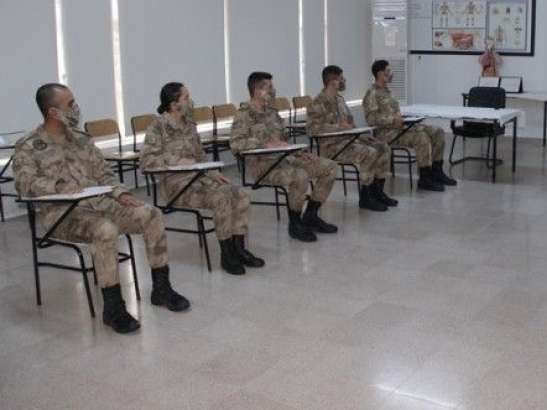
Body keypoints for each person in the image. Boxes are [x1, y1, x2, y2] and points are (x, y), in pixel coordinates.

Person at [13, 83, 189, 334]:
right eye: (70, 104)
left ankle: (162, 289)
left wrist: (121, 192)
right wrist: (57, 185)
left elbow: (105, 174)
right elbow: (24, 183)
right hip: (62, 214)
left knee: (151, 214)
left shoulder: (82, 141)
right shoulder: (30, 145)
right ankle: (113, 308)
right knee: (104, 230)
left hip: (102, 203)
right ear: (53, 112)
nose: (76, 108)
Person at [140, 82, 264, 276]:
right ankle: (227, 254)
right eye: (186, 98)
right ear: (174, 105)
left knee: (240, 193)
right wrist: (176, 160)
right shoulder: (158, 127)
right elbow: (146, 161)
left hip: (200, 180)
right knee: (221, 196)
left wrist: (215, 174)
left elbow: (200, 158)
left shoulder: (189, 125)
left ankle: (239, 248)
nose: (191, 101)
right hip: (177, 186)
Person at [230, 72, 338, 243]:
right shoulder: (243, 115)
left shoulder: (272, 113)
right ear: (257, 90)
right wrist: (264, 143)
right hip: (263, 166)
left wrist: (299, 153)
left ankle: (311, 215)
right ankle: (295, 224)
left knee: (329, 167)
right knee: (299, 176)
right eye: (270, 87)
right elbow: (236, 143)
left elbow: (284, 141)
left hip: (287, 159)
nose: (274, 91)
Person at [307, 65, 396, 212]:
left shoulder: (340, 100)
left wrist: (362, 136)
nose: (344, 81)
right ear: (332, 82)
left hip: (349, 141)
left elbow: (350, 123)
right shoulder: (317, 103)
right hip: (332, 147)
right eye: (341, 78)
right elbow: (311, 129)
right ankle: (365, 197)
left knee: (382, 147)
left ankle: (378, 192)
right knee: (369, 153)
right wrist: (337, 127)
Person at [363, 59, 456, 192]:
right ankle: (424, 178)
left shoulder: (388, 91)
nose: (391, 73)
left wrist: (405, 118)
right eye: (388, 71)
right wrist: (392, 120)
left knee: (438, 131)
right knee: (421, 137)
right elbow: (371, 119)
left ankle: (437, 172)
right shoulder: (371, 93)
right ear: (379, 74)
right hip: (386, 133)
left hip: (400, 127)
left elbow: (396, 113)